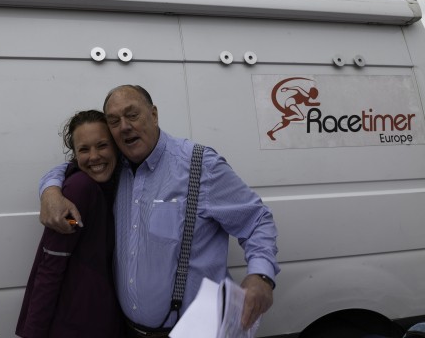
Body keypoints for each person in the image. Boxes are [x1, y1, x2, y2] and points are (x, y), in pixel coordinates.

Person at [39, 85, 279, 337]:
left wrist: (261, 276)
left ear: (153, 114)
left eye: (132, 115)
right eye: (114, 121)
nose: (124, 126)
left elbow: (257, 220)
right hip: (129, 330)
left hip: (197, 331)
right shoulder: (115, 167)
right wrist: (50, 192)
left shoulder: (199, 164)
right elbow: (75, 165)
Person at [15, 110, 125, 338]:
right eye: (84, 149)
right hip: (75, 325)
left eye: (102, 145)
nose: (94, 156)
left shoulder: (116, 183)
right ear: (74, 154)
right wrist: (33, 332)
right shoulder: (79, 187)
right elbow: (51, 264)